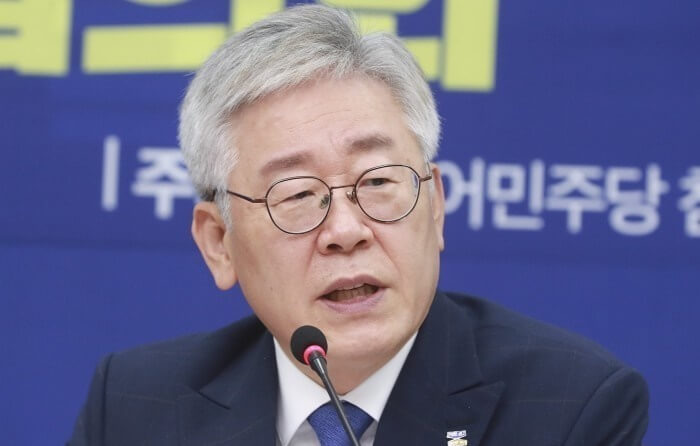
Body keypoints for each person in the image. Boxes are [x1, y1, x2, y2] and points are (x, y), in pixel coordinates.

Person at [69, 4, 648, 445]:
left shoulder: (569, 407)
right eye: (297, 195)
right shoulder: (135, 407)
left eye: (377, 182)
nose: (346, 231)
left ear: (435, 205)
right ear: (219, 243)